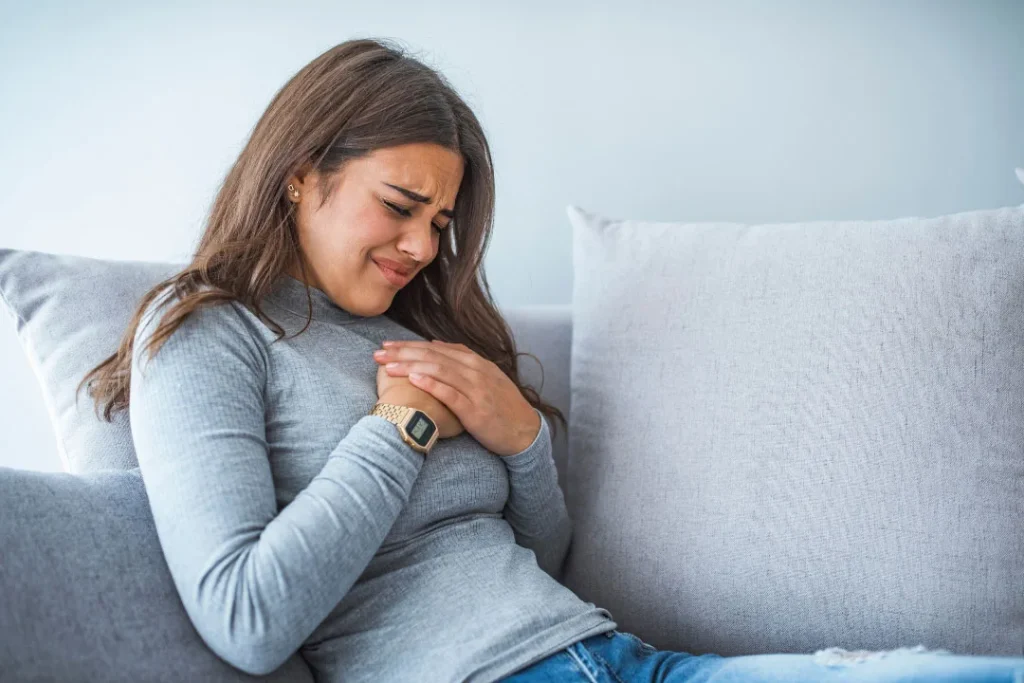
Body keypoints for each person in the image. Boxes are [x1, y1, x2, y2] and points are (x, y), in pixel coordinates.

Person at [77, 37, 1024, 683]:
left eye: (439, 222)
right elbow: (245, 619)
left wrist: (520, 438)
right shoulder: (206, 330)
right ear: (299, 174)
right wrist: (400, 429)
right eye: (399, 204)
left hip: (618, 655)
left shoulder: (409, 327)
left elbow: (548, 558)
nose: (419, 244)